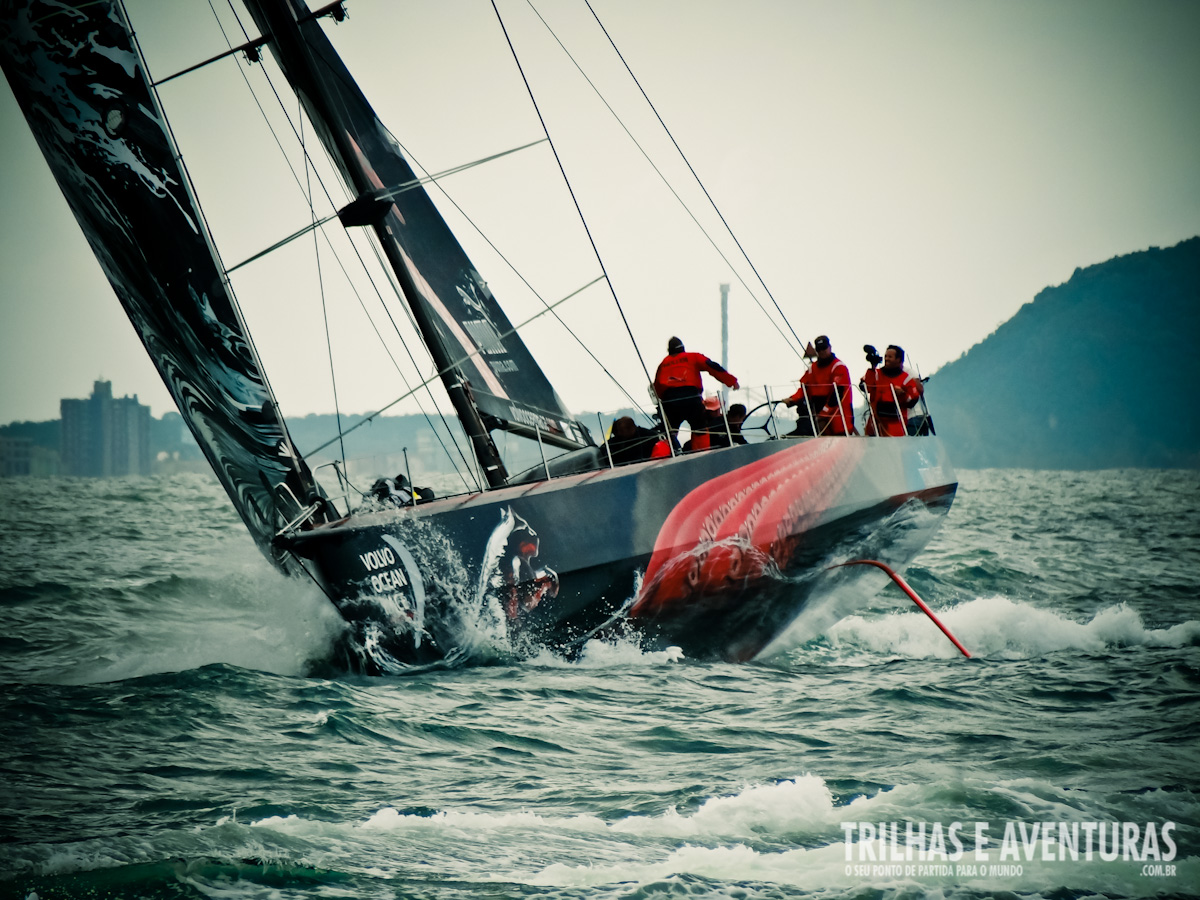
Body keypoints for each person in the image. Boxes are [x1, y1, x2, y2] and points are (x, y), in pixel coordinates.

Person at [652, 337, 739, 451]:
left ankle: (664, 456)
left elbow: (657, 387)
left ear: (669, 350)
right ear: (683, 348)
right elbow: (712, 366)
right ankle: (701, 456)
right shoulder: (693, 357)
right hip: (691, 397)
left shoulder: (663, 363)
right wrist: (731, 381)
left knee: (668, 433)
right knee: (700, 429)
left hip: (670, 400)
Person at [783, 335, 853, 435]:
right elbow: (804, 389)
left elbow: (838, 394)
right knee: (807, 424)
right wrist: (792, 399)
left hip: (837, 418)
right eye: (819, 349)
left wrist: (824, 413)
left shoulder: (838, 367)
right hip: (818, 414)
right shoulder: (812, 369)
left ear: (830, 347)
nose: (822, 351)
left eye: (824, 348)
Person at [863, 344, 923, 436]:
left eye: (890, 357)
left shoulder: (906, 379)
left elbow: (913, 400)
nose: (886, 359)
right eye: (886, 356)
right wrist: (873, 366)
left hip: (895, 424)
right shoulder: (876, 374)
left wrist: (903, 394)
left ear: (898, 359)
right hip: (875, 421)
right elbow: (867, 387)